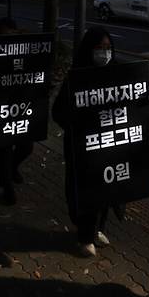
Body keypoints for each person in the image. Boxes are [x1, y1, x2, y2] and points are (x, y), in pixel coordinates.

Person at [52, 26, 127, 257]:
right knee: (85, 192)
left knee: (106, 191)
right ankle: (85, 236)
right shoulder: (77, 78)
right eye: (98, 48)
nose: (103, 53)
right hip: (83, 150)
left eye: (107, 48)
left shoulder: (118, 75)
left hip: (110, 146)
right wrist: (79, 126)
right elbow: (58, 112)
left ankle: (97, 229)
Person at [0, 18, 35, 205]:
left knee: (26, 146)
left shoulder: (25, 53)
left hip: (22, 108)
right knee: (4, 148)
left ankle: (12, 167)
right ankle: (7, 185)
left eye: (11, 34)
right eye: (3, 35)